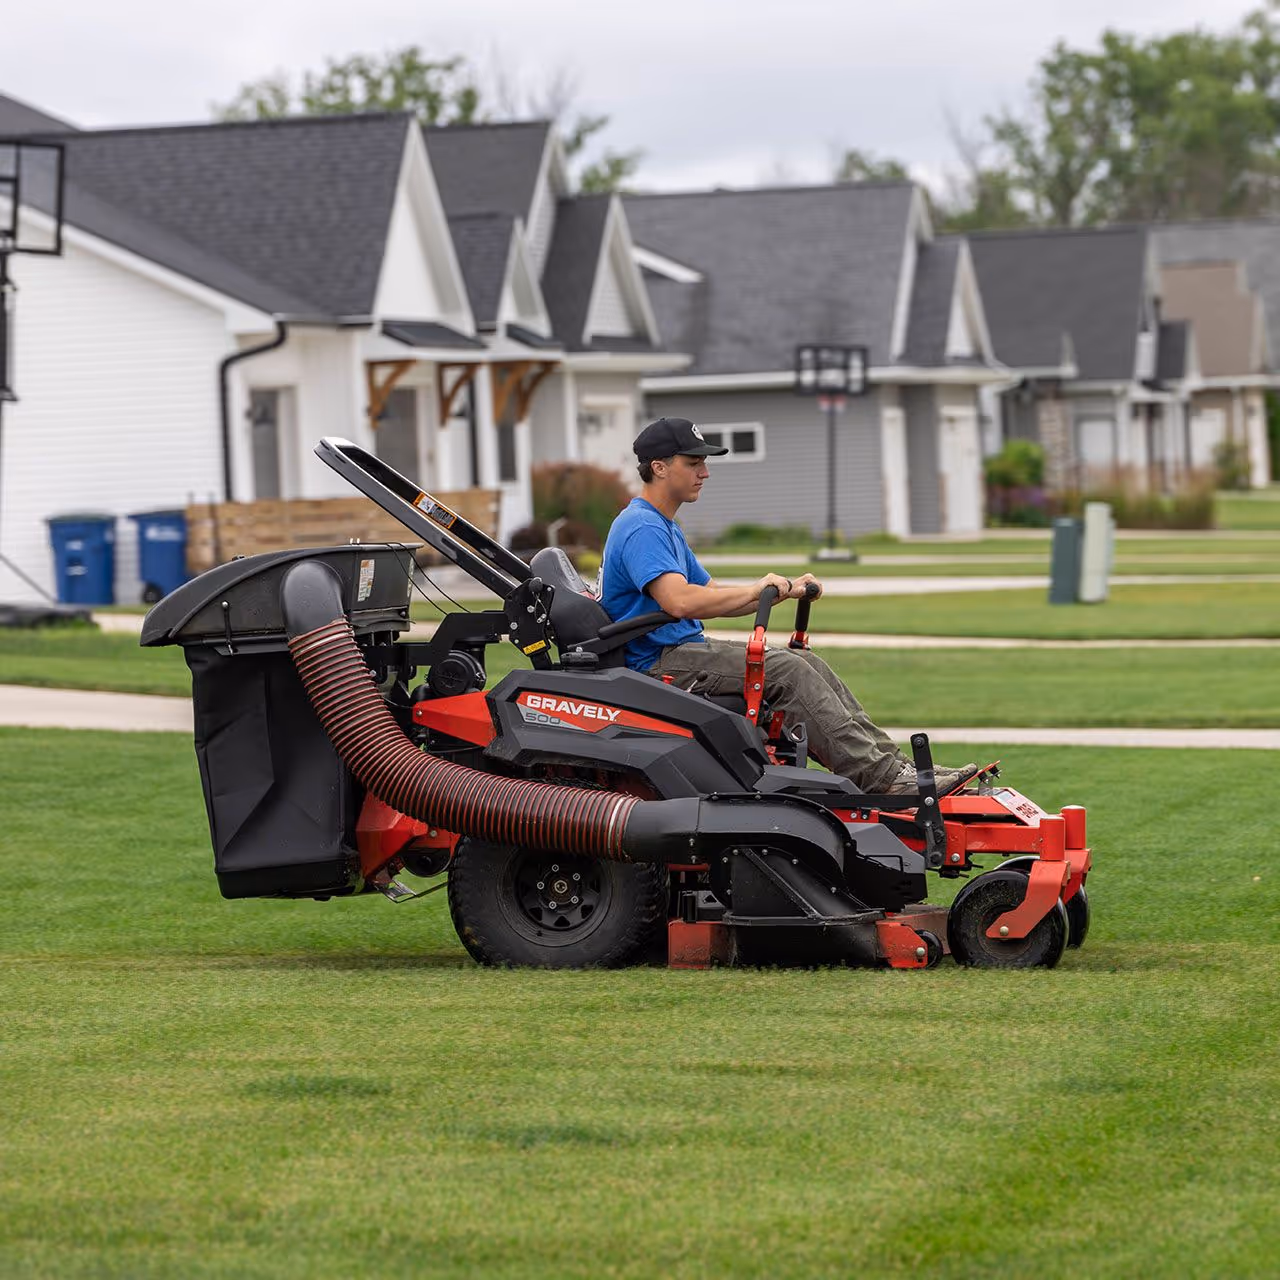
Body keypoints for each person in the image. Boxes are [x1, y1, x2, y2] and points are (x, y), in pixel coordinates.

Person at [598, 416, 979, 796]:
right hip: (656, 663)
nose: (705, 473)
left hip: (680, 651)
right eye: (693, 463)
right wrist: (755, 588)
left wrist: (781, 590)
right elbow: (680, 601)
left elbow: (710, 593)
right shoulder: (641, 527)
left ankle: (895, 768)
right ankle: (883, 780)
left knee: (807, 663)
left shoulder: (662, 525)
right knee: (786, 670)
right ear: (660, 468)